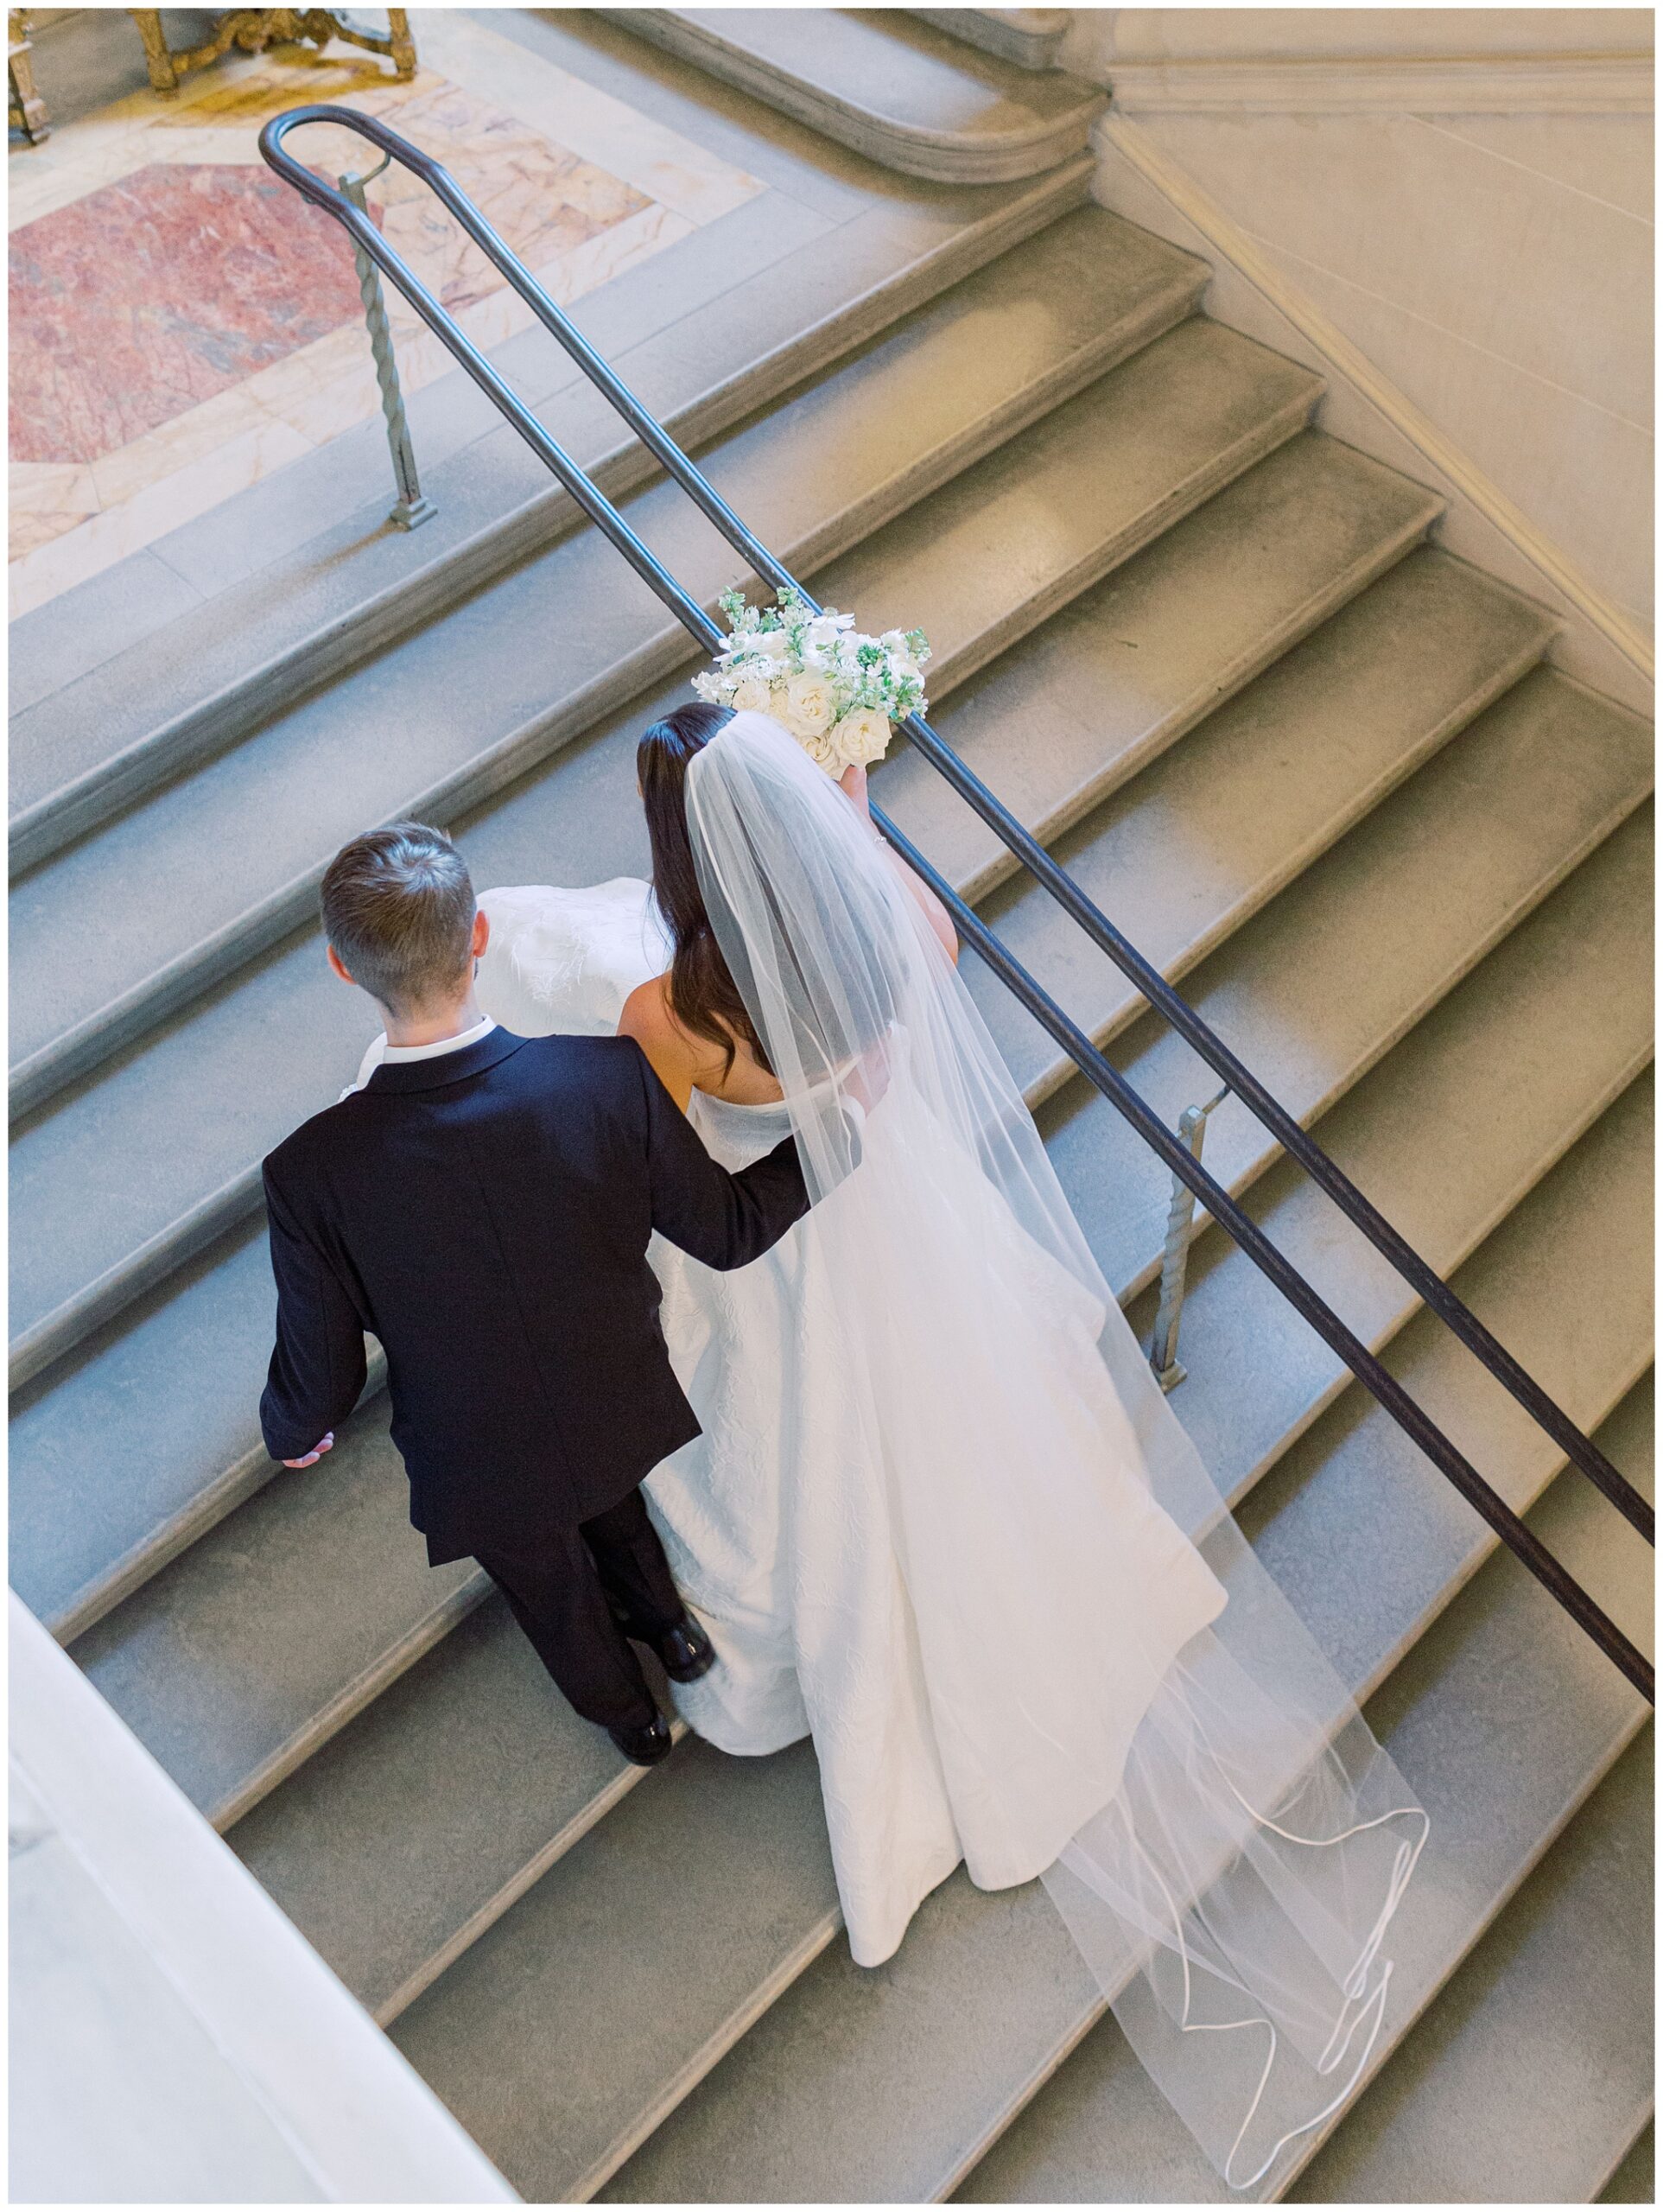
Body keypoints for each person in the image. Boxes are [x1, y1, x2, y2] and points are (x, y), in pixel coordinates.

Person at [476, 704, 1429, 2193]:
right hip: (908, 1237)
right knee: (962, 1426)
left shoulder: (673, 1011)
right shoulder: (895, 931)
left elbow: (669, 1162)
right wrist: (852, 806)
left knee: (787, 1455)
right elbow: (916, 978)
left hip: (783, 1264)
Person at [258, 820, 815, 1767]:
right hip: (612, 1390)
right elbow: (724, 1231)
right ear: (476, 937)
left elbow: (325, 1365)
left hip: (478, 1448)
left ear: (342, 970)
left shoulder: (311, 1172)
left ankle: (626, 1715)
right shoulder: (604, 1080)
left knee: (548, 1587)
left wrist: (292, 1427)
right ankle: (670, 1633)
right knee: (616, 1504)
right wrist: (827, 1139)